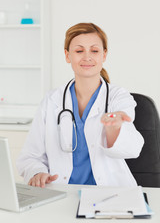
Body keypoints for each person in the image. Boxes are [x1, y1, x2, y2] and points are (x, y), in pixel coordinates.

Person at [17, 22, 144, 188]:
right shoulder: (52, 100)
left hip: (110, 193)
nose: (87, 57)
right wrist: (37, 172)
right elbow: (30, 156)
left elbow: (133, 149)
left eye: (94, 50)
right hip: (62, 191)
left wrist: (115, 128)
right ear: (67, 55)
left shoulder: (117, 97)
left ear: (104, 55)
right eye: (79, 51)